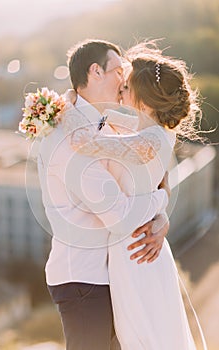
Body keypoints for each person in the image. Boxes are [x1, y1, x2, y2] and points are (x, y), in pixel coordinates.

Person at [64, 42, 207, 349]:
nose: (121, 91)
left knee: (142, 337)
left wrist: (65, 104)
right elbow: (107, 123)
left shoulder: (150, 139)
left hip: (135, 255)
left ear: (143, 101)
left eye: (126, 87)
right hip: (132, 250)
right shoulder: (147, 129)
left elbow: (82, 142)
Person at [37, 39, 170, 350]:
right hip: (84, 280)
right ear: (95, 71)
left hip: (111, 277)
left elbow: (149, 181)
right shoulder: (64, 138)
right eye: (119, 70)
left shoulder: (107, 127)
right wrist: (162, 201)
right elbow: (121, 215)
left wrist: (162, 219)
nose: (124, 80)